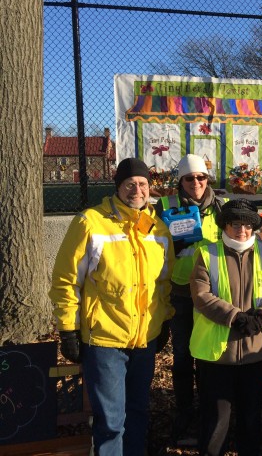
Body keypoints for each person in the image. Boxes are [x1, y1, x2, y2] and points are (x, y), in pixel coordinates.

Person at [49, 158, 174, 456]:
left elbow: (164, 281)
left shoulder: (158, 227)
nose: (137, 189)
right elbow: (66, 280)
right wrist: (68, 328)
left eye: (143, 184)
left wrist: (164, 319)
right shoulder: (90, 222)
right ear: (117, 186)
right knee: (111, 421)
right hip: (104, 339)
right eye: (130, 183)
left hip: (145, 337)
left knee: (138, 412)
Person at [189, 198, 262, 456]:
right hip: (216, 354)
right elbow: (201, 296)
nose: (242, 231)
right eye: (234, 224)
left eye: (247, 225)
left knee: (251, 414)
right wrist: (236, 317)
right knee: (217, 418)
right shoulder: (206, 254)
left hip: (255, 351)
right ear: (224, 226)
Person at [155, 153, 226, 444]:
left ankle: (211, 410)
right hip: (181, 291)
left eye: (201, 177)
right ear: (179, 181)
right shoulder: (165, 206)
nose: (195, 183)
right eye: (189, 178)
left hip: (212, 293)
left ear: (207, 179)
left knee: (209, 354)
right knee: (183, 355)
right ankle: (185, 409)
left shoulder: (222, 207)